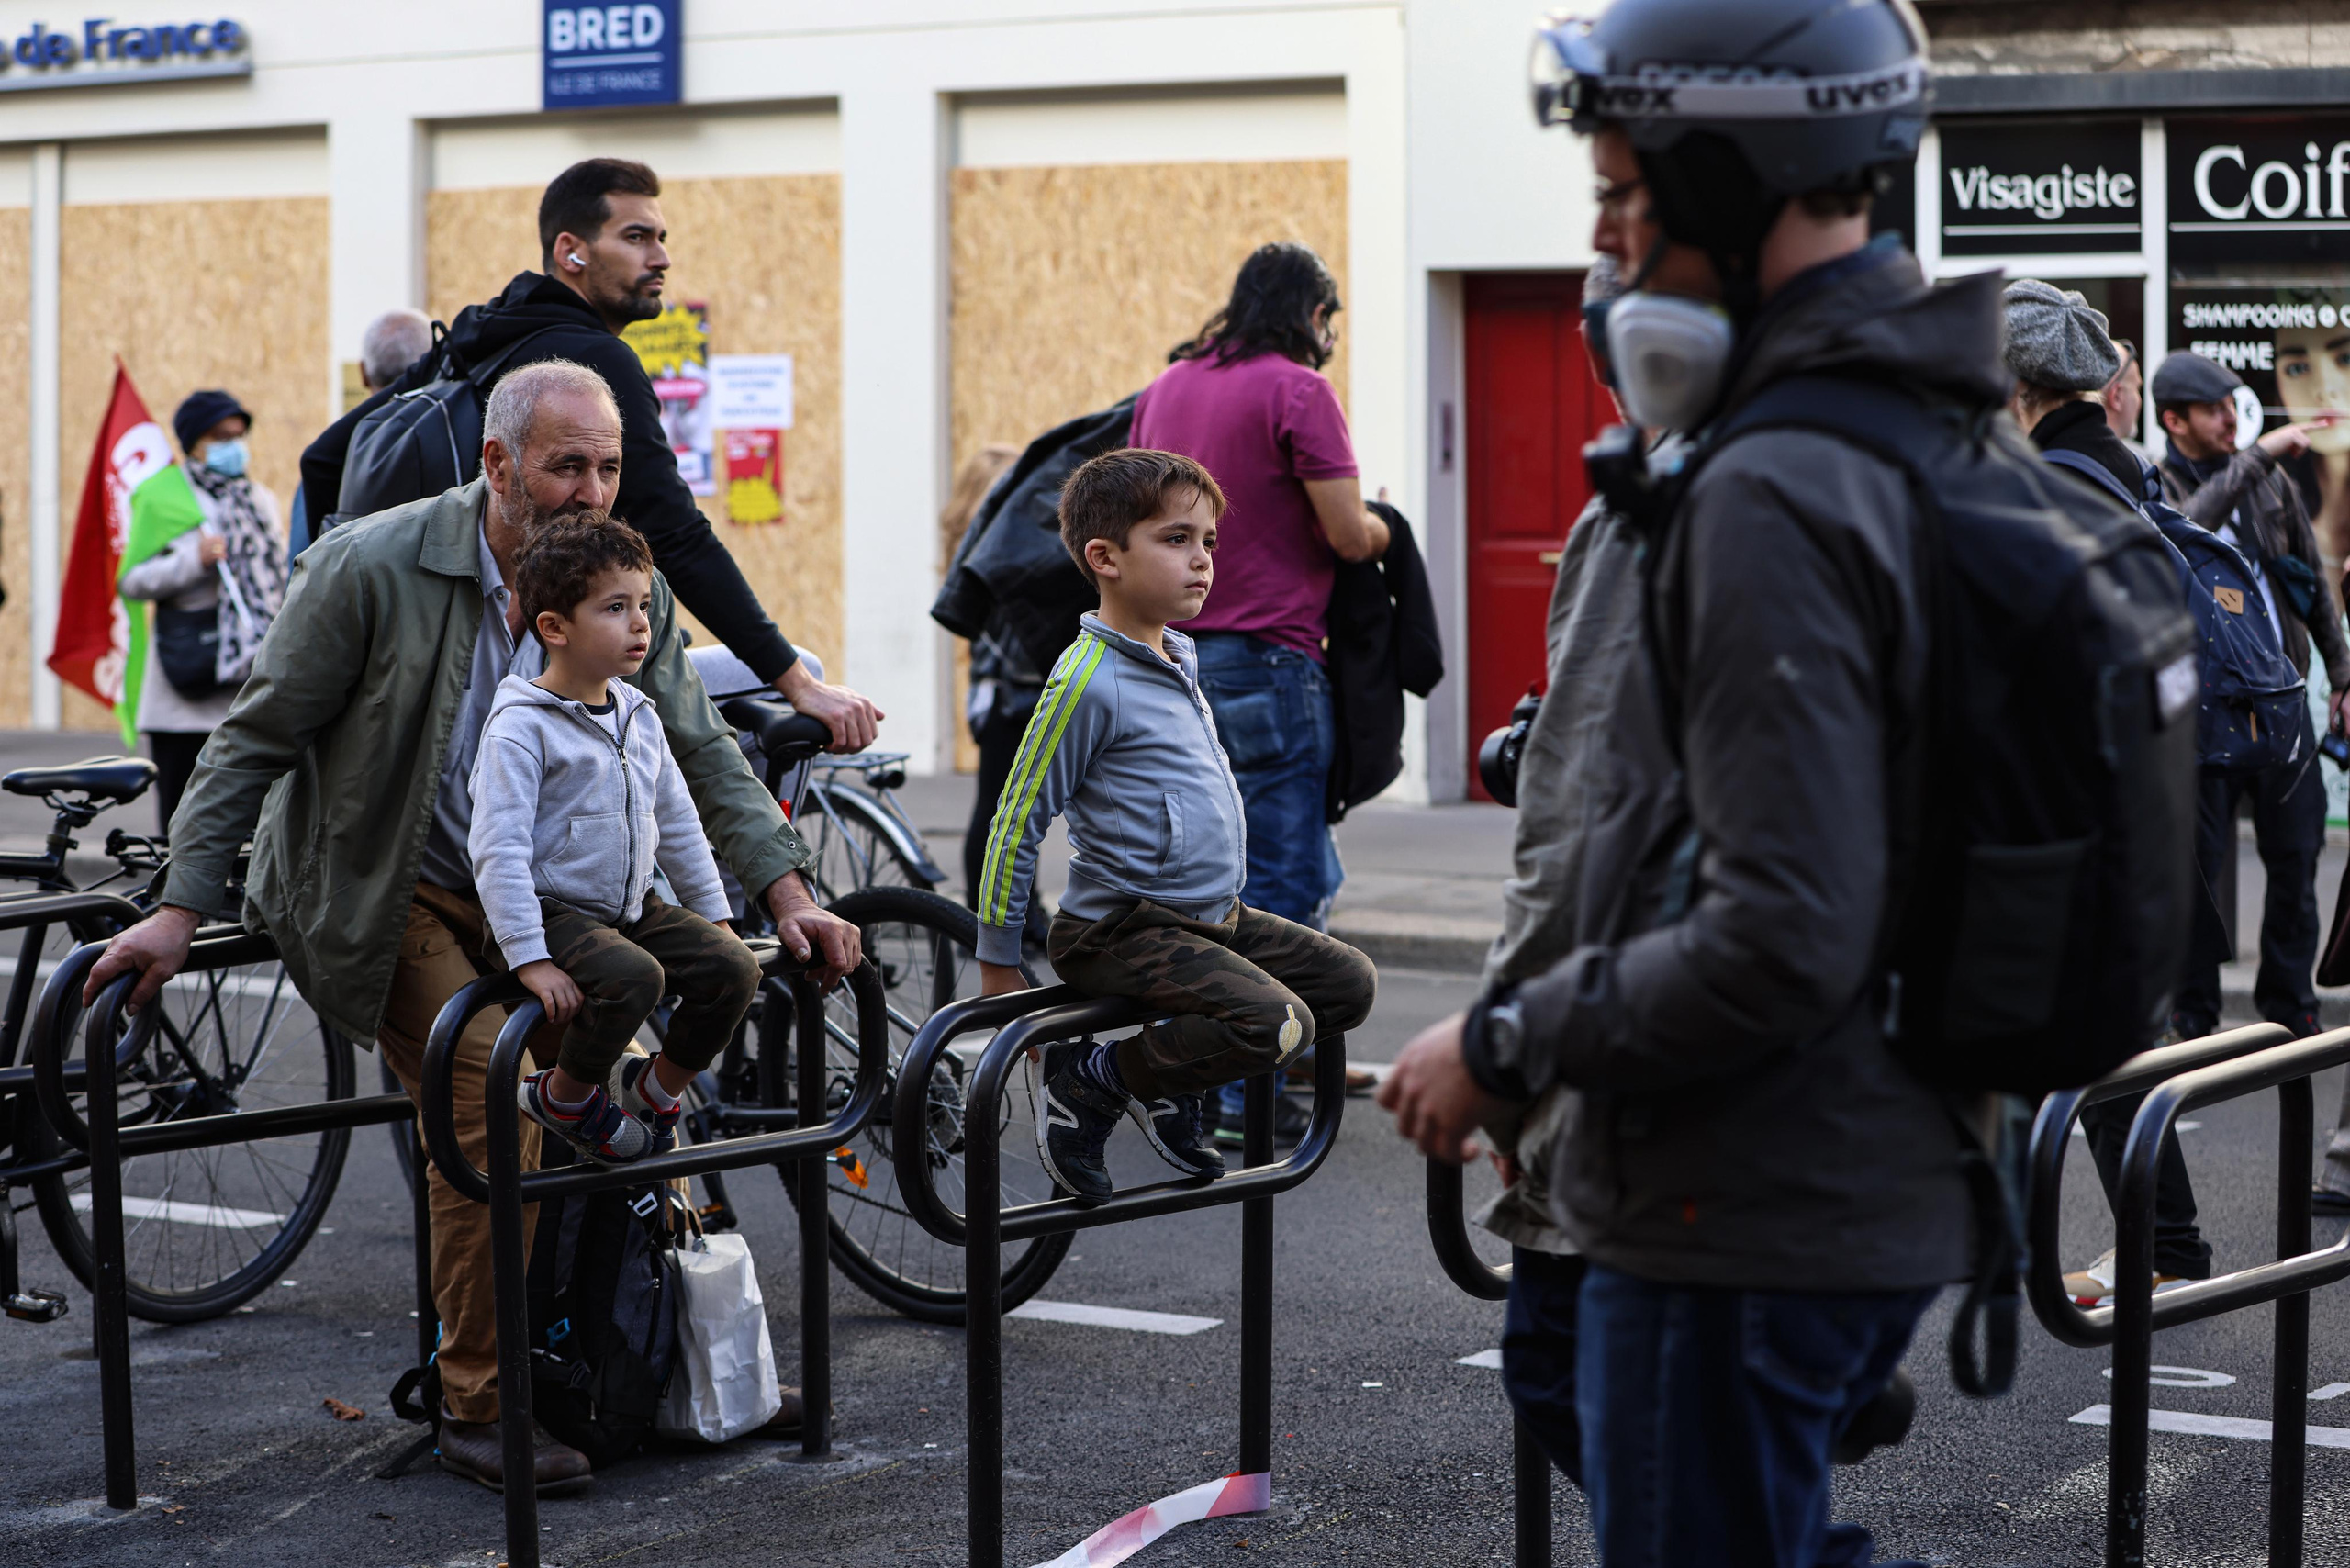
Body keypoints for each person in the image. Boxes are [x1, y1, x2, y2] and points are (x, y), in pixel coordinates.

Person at [1383, 3, 1977, 1562]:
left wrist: (1509, 1042)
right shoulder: (1897, 425)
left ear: (1735, 186)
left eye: (1625, 203)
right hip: (1813, 1165)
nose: (1603, 246)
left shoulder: (1774, 482)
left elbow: (1784, 923)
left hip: (1743, 1187)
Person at [84, 358, 861, 1493]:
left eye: (608, 465)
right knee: (488, 1106)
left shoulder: (620, 574)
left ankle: (678, 1364)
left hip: (551, 898)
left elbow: (697, 748)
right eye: (565, 466)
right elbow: (254, 738)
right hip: (395, 885)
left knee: (628, 1100)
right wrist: (176, 909)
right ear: (497, 464)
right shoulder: (369, 565)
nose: (592, 488)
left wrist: (789, 893)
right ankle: (481, 1403)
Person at [301, 157, 881, 753]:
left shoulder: (476, 339)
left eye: (661, 238)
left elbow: (322, 459)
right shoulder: (590, 364)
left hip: (409, 667)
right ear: (571, 251)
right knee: (782, 680)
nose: (660, 258)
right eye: (636, 237)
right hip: (530, 669)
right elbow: (676, 534)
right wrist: (797, 683)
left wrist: (313, 609)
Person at [973, 448, 1376, 1203]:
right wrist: (998, 956)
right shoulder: (1088, 680)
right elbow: (1015, 820)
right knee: (1276, 1023)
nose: (1202, 561)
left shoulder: (1178, 656)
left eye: (1209, 542)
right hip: (1120, 931)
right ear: (1106, 558)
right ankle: (1092, 1080)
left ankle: (1165, 1086)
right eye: (1176, 539)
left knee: (1347, 986)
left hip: (1207, 920)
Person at [1129, 242, 1387, 1138]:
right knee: (1285, 879)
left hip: (1174, 659)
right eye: (1330, 322)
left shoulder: (1169, 388)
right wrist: (1387, 527)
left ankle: (1198, 1080)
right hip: (1271, 662)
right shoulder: (1297, 390)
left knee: (1193, 881)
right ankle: (1250, 1091)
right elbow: (1347, 535)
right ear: (1312, 315)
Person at [1999, 285, 2219, 1305]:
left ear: (2014, 383)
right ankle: (2158, 1241)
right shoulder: (2121, 472)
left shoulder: (2048, 487)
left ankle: (2167, 1246)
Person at [474, 514, 763, 1166]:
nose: (641, 623)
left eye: (643, 605)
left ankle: (654, 1087)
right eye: (615, 608)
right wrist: (529, 958)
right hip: (551, 913)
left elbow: (680, 823)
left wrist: (714, 914)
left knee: (733, 968)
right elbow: (499, 850)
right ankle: (564, 1097)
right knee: (636, 978)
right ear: (555, 629)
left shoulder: (639, 714)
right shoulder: (521, 727)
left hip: (630, 907)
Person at [2154, 349, 2350, 1045]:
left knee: (2295, 858)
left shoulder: (2273, 489)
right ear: (2174, 420)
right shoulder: (2160, 485)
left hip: (2279, 701)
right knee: (2199, 869)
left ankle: (2290, 1004)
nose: (2229, 420)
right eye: (2212, 411)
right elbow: (2193, 528)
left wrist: (2343, 674)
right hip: (2202, 715)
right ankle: (2195, 1013)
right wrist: (2258, 457)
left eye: (2233, 407)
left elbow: (2315, 593)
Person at [119, 389, 287, 832]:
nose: (233, 445)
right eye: (219, 436)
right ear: (194, 441)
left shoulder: (260, 499)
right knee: (183, 822)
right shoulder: (164, 497)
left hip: (245, 688)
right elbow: (132, 581)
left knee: (246, 827)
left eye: (238, 434)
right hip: (185, 691)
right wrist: (194, 561)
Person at [943, 442, 1057, 950]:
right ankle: (989, 918)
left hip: (1006, 693)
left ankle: (1022, 912)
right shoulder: (987, 544)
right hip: (1007, 695)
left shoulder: (986, 539)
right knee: (998, 814)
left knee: (1008, 814)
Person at [2103, 336, 2149, 462]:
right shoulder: (2138, 468)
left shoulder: (2054, 456)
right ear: (2117, 396)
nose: (2140, 400)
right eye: (2137, 389)